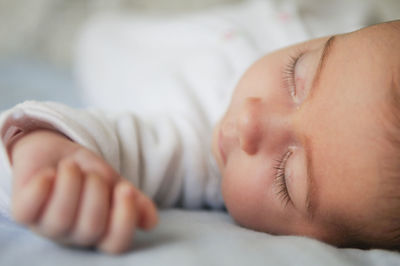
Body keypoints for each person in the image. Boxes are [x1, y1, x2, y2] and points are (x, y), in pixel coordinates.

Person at [1, 2, 400, 253]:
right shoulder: (364, 34)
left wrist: (45, 154)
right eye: (298, 73)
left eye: (287, 176)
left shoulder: (193, 151)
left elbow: (106, 143)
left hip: (78, 29)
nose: (249, 120)